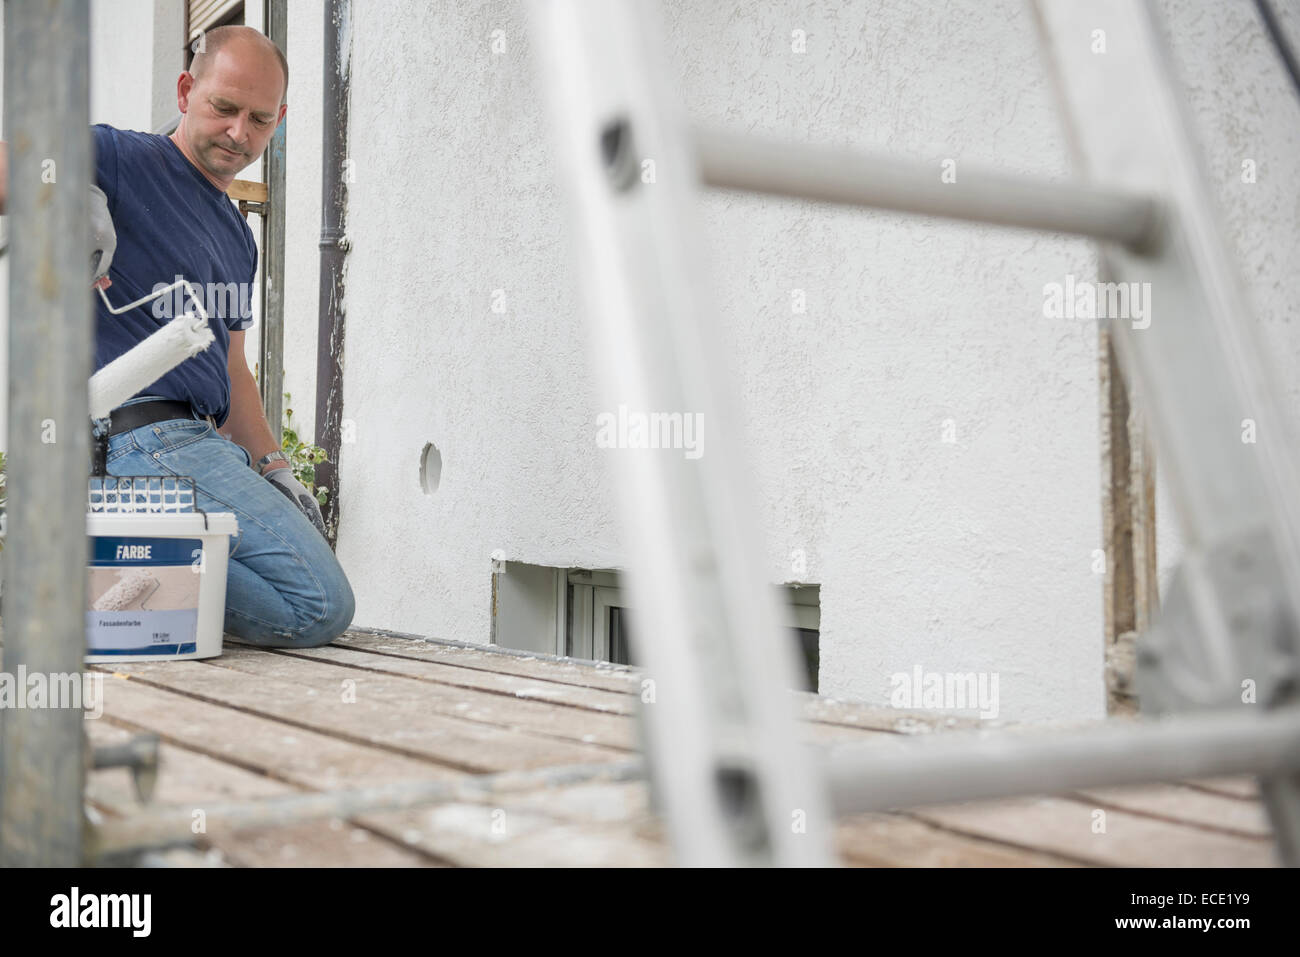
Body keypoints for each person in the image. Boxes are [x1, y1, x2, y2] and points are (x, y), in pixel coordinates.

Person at [1, 26, 354, 648]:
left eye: (260, 119)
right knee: (317, 603)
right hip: (138, 435)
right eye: (224, 108)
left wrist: (274, 466)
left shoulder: (237, 236)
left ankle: (81, 565)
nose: (240, 133)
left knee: (302, 600)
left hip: (194, 443)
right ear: (187, 89)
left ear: (280, 121)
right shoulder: (118, 158)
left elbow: (233, 370)